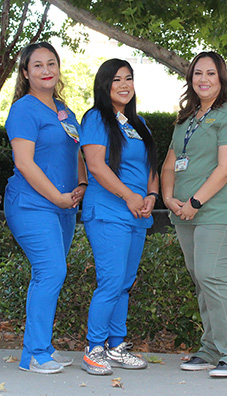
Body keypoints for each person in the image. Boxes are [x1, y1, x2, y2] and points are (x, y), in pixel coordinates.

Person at [161, 51, 227, 378]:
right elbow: (170, 163)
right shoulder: (186, 118)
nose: (203, 79)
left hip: (219, 210)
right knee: (203, 280)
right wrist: (169, 198)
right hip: (185, 213)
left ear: (221, 78)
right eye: (198, 73)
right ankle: (211, 349)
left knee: (212, 276)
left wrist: (194, 202)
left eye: (210, 73)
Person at [4, 42, 87, 374]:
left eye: (51, 63)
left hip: (64, 206)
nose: (46, 70)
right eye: (37, 65)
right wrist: (57, 197)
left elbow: (77, 154)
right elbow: (24, 163)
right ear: (26, 73)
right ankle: (34, 353)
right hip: (32, 205)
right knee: (51, 271)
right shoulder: (23, 110)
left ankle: (45, 348)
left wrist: (80, 187)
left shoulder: (64, 110)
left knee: (51, 273)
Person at [79, 59, 158, 375]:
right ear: (104, 85)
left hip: (137, 214)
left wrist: (151, 196)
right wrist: (128, 196)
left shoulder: (138, 124)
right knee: (111, 281)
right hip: (109, 211)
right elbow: (96, 165)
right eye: (116, 80)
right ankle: (94, 348)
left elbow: (152, 166)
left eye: (129, 78)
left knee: (124, 283)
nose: (124, 85)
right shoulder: (97, 118)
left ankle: (115, 347)